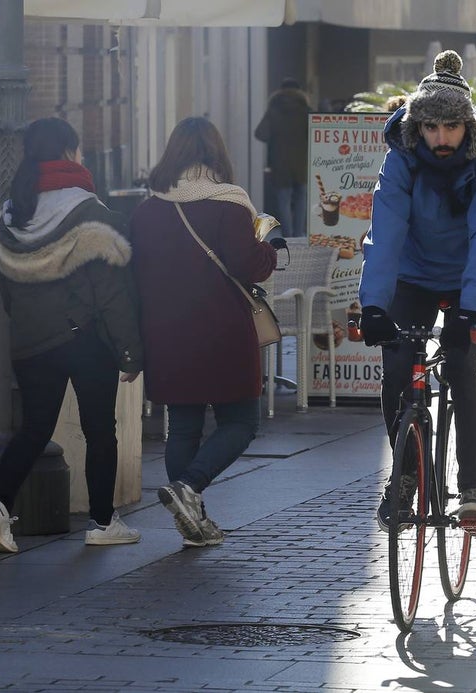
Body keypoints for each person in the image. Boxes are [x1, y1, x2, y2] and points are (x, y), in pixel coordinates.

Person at [358, 50, 476, 535]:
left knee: (463, 365)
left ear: (467, 126)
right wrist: (374, 306)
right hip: (414, 272)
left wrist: (473, 309)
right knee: (397, 366)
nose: (441, 139)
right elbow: (385, 231)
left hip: (473, 271)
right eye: (431, 128)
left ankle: (475, 489)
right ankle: (404, 480)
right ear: (416, 126)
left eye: (451, 128)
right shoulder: (402, 155)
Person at [0, 117, 143, 553]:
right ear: (69, 153)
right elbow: (111, 294)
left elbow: (8, 286)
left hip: (32, 341)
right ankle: (103, 524)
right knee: (100, 431)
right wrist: (130, 351)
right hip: (84, 339)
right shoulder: (90, 212)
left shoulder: (12, 214)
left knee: (33, 429)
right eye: (80, 149)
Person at [131, 117, 278, 548]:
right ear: (216, 155)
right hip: (222, 331)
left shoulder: (145, 211)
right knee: (242, 421)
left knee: (183, 427)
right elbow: (250, 266)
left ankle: (192, 521)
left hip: (165, 333)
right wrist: (269, 250)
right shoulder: (230, 205)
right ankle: (189, 486)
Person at [254, 78, 311, 238]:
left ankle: (287, 234)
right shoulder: (305, 110)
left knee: (283, 200)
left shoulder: (274, 110)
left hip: (279, 162)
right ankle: (299, 233)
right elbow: (315, 134)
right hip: (302, 162)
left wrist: (277, 136)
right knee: (301, 198)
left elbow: (260, 133)